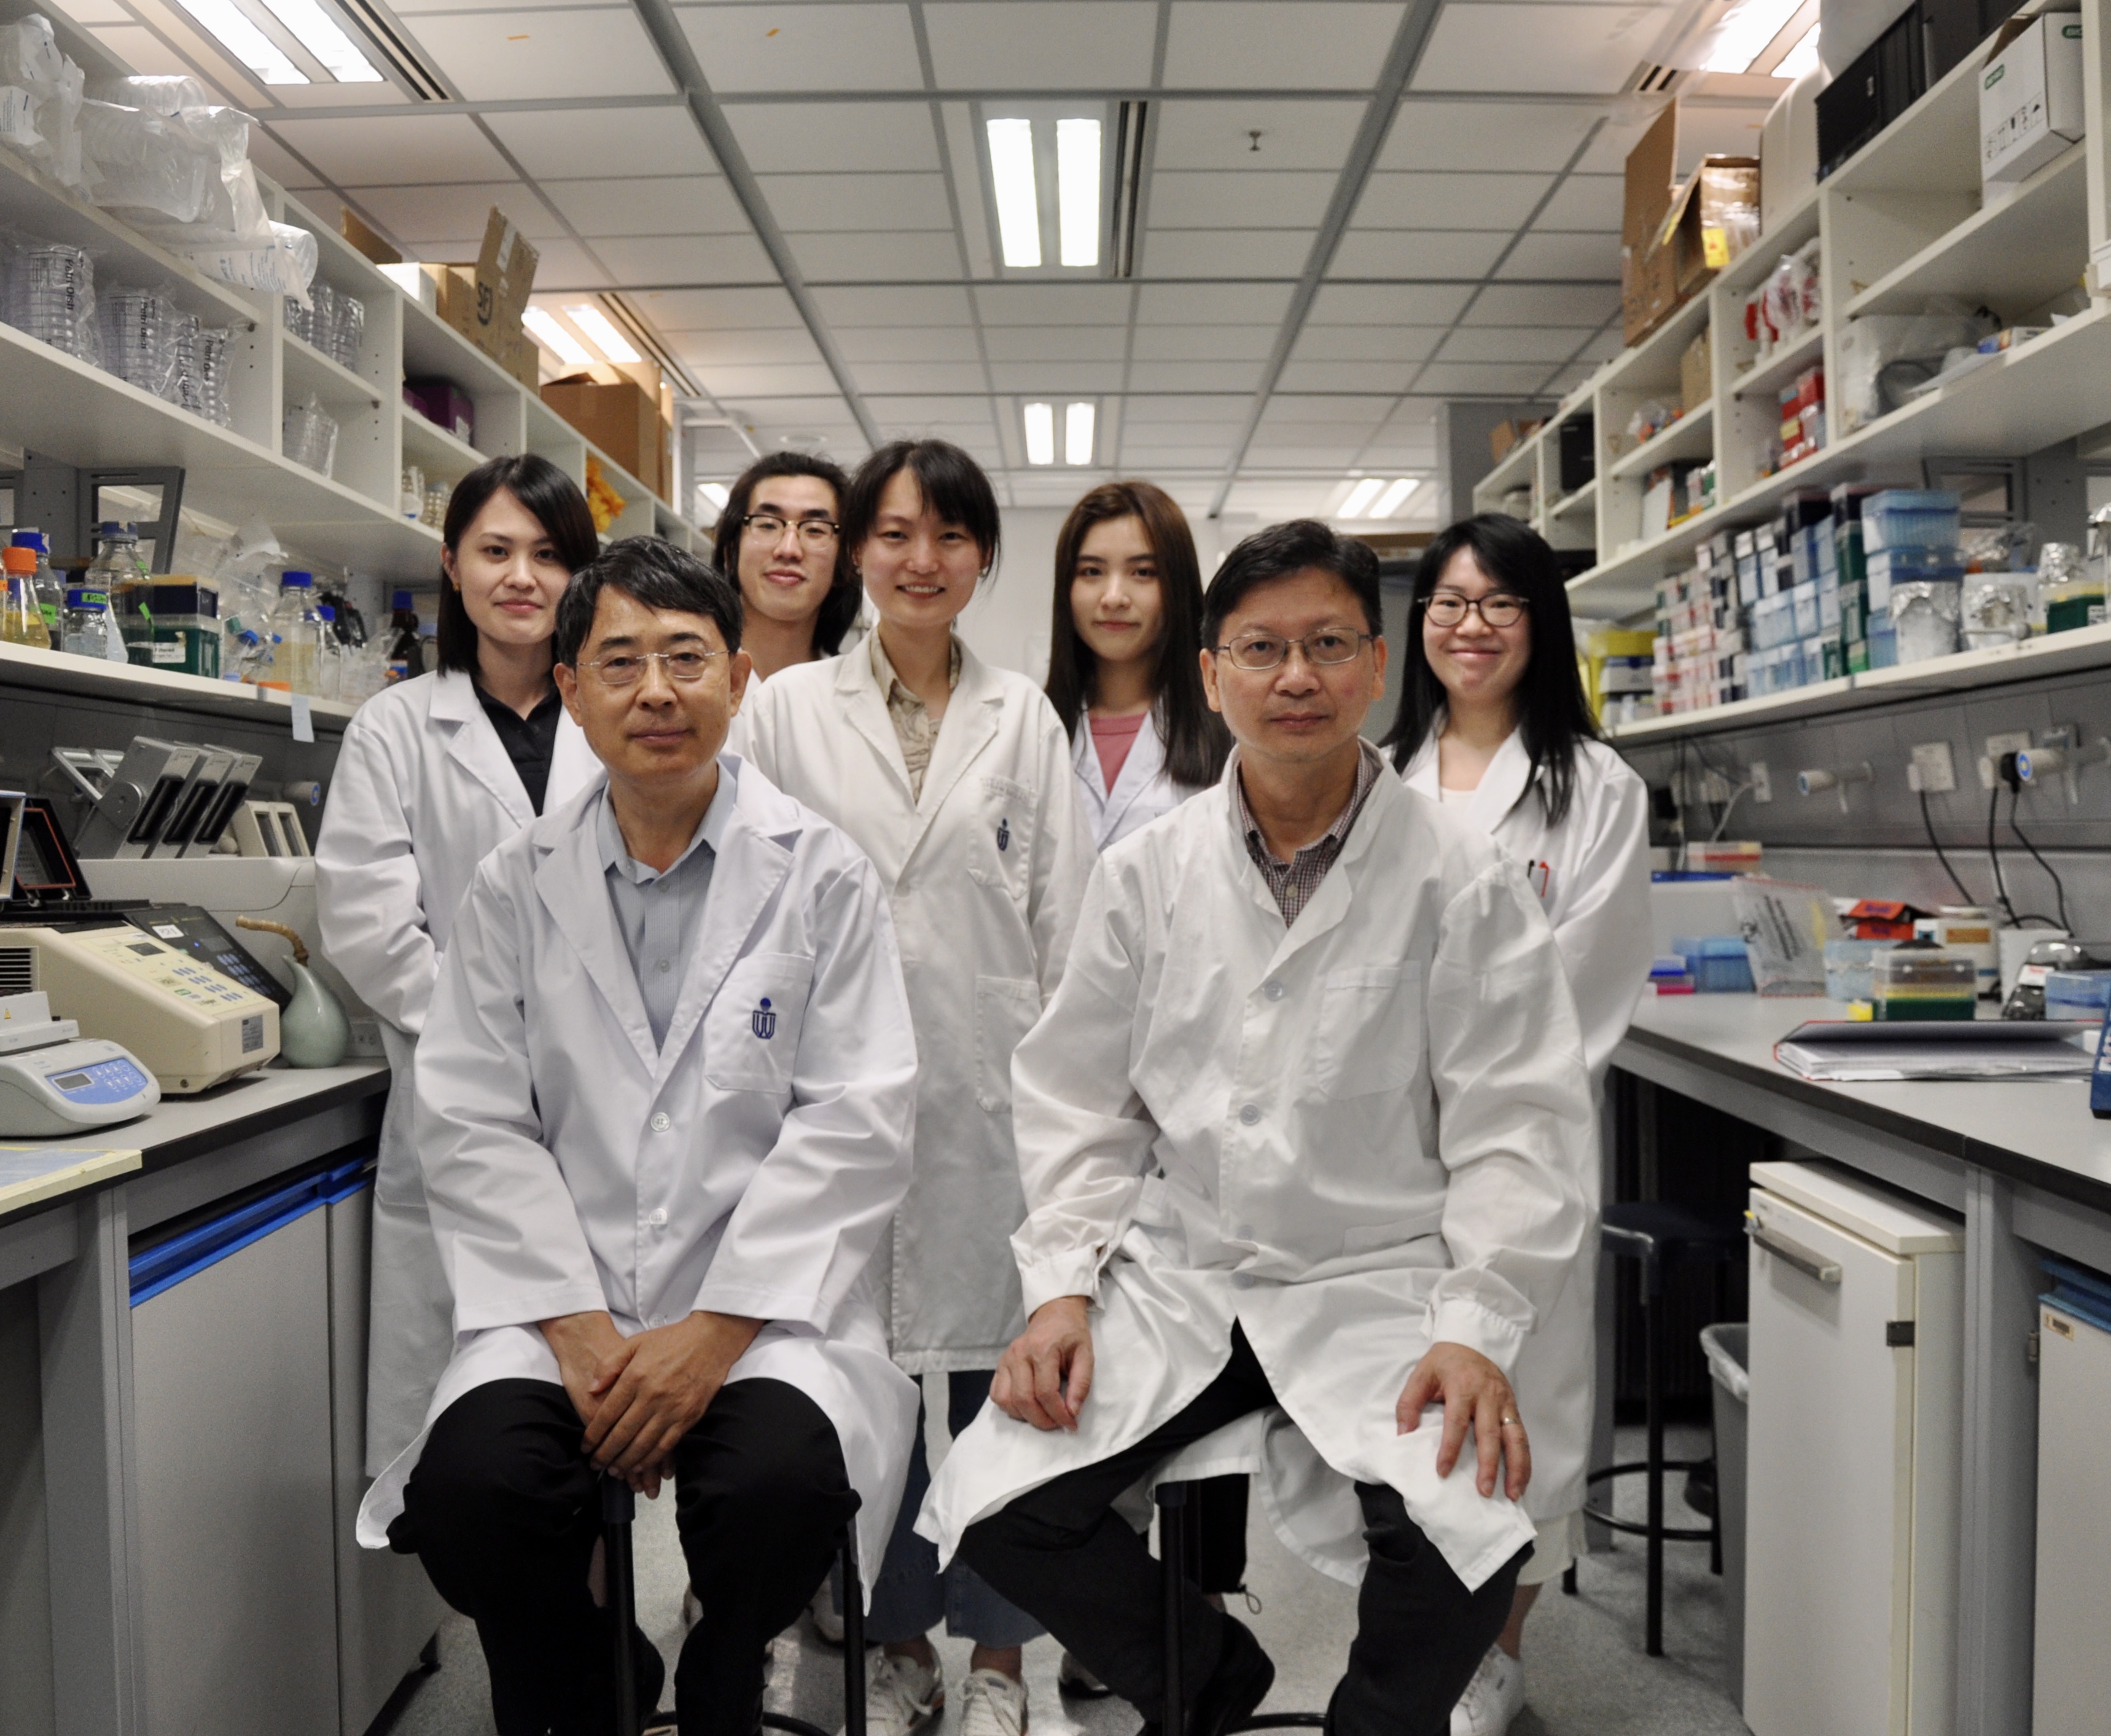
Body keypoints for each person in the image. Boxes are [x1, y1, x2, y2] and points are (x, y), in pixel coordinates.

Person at [921, 518, 1595, 1736]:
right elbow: (1080, 1100)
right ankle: (1207, 1675)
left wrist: (1476, 1321)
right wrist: (1061, 1290)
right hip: (1188, 1272)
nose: (1297, 677)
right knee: (996, 1501)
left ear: (1376, 666)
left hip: (1376, 1276)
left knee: (1469, 1529)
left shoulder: (1462, 881)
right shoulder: (1147, 875)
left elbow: (1517, 1124)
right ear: (1211, 674)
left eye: (1329, 643)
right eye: (1263, 648)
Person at [353, 538, 923, 1736]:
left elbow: (857, 1115)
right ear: (570, 692)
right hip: (560, 1299)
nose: (655, 691)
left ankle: (724, 1658)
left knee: (780, 1493)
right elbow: (471, 1115)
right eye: (619, 661)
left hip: (756, 1304)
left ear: (741, 679)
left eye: (684, 658)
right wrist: (572, 1323)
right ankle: (600, 1673)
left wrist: (713, 1332)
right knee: (470, 1499)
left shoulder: (820, 877)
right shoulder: (515, 885)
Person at [735, 438, 1096, 1736]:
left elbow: (1069, 933)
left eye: (948, 538)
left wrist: (1074, 1118)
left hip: (993, 1110)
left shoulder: (1024, 719)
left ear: (981, 559)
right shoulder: (783, 713)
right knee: (868, 1398)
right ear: (857, 554)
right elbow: (751, 918)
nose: (920, 560)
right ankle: (898, 1645)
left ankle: (1002, 1668)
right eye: (892, 534)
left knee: (1004, 1406)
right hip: (836, 1104)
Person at [1382, 511, 1653, 1736]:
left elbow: (1585, 984)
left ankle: (1498, 1655)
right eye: (1446, 601)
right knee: (1409, 1400)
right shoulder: (1382, 778)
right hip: (1387, 1148)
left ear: (1538, 624)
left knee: (1523, 1400)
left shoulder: (1595, 790)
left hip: (1524, 1146)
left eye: (1497, 603)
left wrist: (1472, 1086)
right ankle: (1420, 1635)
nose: (1469, 624)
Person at [318, 454, 604, 1479]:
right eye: (495, 551)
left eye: (548, 554)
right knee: (472, 1422)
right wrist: (497, 1032)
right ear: (452, 564)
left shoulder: (617, 718)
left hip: (607, 1108)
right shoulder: (397, 727)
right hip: (459, 1098)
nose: (521, 577)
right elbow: (368, 921)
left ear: (582, 576)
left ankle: (599, 1610)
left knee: (603, 1415)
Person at [1045, 480, 1231, 850]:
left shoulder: (1229, 731)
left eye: (1143, 572)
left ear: (1177, 585)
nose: (1114, 597)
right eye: (1091, 572)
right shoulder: (1035, 727)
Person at [711, 450, 860, 691]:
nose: (788, 549)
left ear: (845, 562)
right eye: (768, 524)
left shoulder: (855, 694)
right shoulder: (688, 686)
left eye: (815, 529)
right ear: (730, 550)